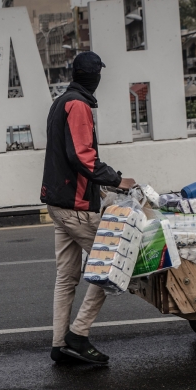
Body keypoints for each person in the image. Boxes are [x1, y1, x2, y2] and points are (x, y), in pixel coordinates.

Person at [40, 51, 135, 366]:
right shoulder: (79, 105)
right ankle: (78, 336)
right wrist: (117, 179)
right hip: (76, 207)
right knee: (109, 267)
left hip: (58, 203)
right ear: (94, 78)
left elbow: (68, 156)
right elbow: (82, 156)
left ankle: (59, 344)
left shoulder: (60, 102)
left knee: (66, 278)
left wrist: (101, 184)